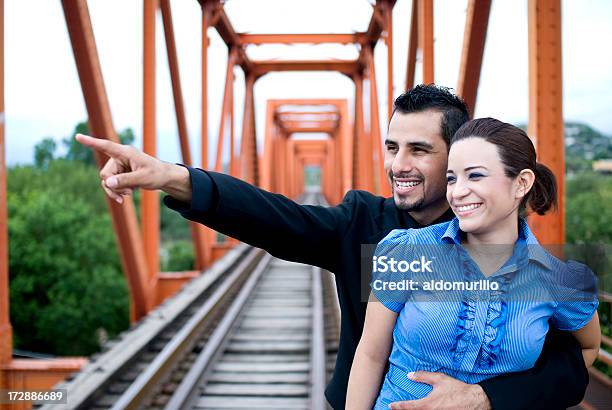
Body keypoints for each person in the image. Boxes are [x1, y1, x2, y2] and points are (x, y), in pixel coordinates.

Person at [76, 85, 591, 409]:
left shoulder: (543, 274)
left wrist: (484, 398)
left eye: (419, 149)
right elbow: (277, 218)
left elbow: (571, 365)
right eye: (392, 147)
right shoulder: (367, 225)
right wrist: (174, 178)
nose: (399, 164)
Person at [346, 117, 601, 409]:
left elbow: (589, 347)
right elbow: (370, 354)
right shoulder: (408, 251)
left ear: (521, 183)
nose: (456, 192)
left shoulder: (561, 281)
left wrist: (503, 395)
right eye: (452, 178)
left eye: (475, 176)